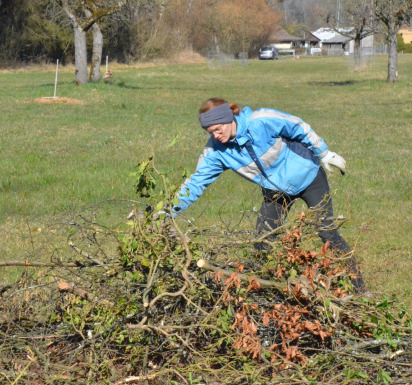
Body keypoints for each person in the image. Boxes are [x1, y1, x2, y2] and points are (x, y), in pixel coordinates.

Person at [172, 97, 367, 293]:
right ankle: (272, 292)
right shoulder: (216, 151)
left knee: (327, 232)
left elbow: (297, 125)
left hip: (309, 176)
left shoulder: (261, 120)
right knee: (263, 241)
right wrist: (169, 210)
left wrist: (324, 153)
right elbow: (196, 183)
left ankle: (360, 290)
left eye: (218, 128)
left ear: (229, 118)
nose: (216, 135)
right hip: (276, 191)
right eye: (210, 132)